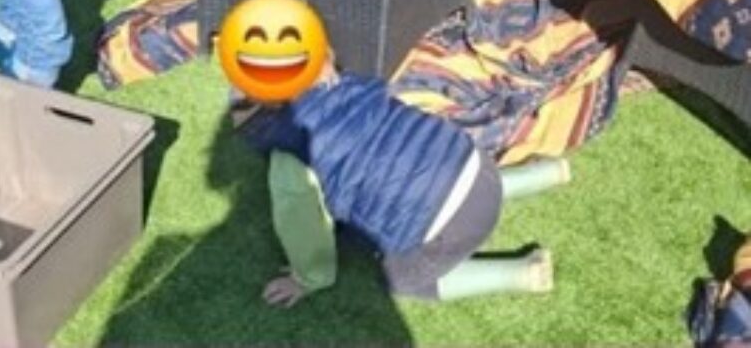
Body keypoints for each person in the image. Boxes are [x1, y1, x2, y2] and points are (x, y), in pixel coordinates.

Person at [231, 52, 572, 307]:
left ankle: (520, 272)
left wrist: (307, 278)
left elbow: (305, 229)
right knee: (422, 166)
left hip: (453, 225)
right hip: (476, 164)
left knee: (401, 280)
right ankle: (541, 174)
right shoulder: (354, 82)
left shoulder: (291, 156)